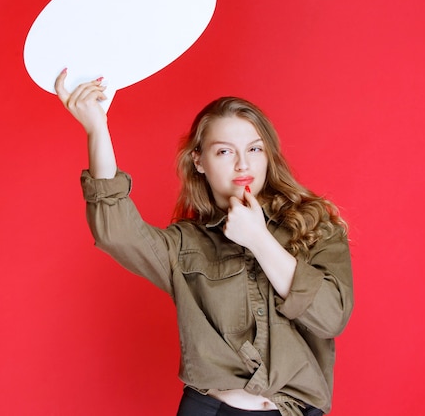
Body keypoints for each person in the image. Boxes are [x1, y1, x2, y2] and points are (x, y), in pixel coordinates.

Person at [54, 69, 353, 416]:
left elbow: (332, 318)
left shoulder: (315, 226)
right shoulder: (185, 245)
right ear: (199, 160)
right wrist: (97, 129)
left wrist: (259, 240)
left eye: (254, 148)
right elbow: (115, 232)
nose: (243, 163)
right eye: (225, 152)